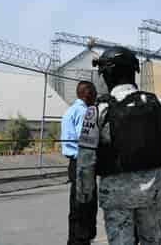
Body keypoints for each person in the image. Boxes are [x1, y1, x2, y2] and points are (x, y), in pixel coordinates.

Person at [76, 46, 161, 245]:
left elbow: (85, 160)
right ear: (132, 71)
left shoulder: (97, 111)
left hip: (115, 196)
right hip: (151, 190)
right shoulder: (159, 104)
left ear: (107, 75)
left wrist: (85, 196)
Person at [61, 81, 98, 245]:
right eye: (94, 93)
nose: (95, 97)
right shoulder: (85, 113)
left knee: (76, 208)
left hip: (74, 163)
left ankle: (74, 240)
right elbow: (87, 141)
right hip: (84, 164)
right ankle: (81, 241)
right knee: (86, 209)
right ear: (88, 94)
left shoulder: (69, 111)